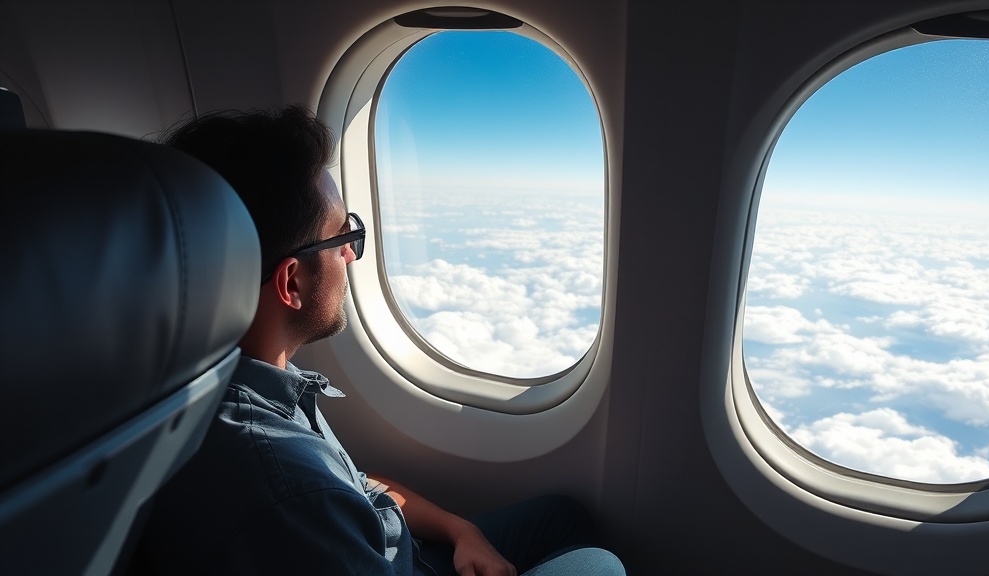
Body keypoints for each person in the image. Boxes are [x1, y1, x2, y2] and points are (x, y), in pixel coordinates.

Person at [131, 105, 625, 576]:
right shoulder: (283, 480)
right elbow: (323, 494)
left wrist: (462, 531)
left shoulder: (260, 384)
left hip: (404, 553)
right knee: (600, 565)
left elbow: (358, 485)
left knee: (564, 518)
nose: (349, 253)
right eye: (340, 236)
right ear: (291, 283)